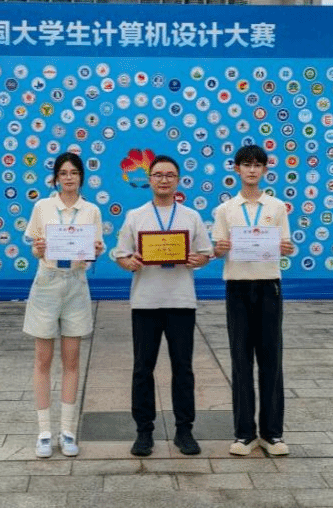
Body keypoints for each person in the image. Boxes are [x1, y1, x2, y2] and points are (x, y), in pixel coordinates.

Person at [114, 155, 213, 456]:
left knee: (183, 368)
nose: (164, 180)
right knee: (143, 369)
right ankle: (144, 432)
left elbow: (206, 253)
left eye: (170, 175)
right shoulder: (135, 216)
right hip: (145, 302)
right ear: (150, 180)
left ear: (178, 180)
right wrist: (129, 262)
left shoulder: (191, 217)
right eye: (158, 175)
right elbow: (121, 254)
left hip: (181, 302)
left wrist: (198, 259)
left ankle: (184, 431)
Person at [211, 144, 295, 456]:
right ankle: (244, 434)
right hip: (237, 288)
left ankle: (272, 434)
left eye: (257, 165)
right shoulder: (225, 210)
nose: (252, 170)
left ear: (265, 170)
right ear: (237, 169)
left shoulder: (277, 207)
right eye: (246, 165)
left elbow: (285, 243)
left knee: (272, 360)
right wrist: (219, 249)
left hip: (269, 287)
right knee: (241, 360)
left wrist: (287, 248)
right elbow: (218, 248)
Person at [23, 152, 104, 458]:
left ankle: (67, 431)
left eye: (74, 172)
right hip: (47, 283)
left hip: (76, 284)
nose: (69, 178)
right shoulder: (42, 207)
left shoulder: (91, 211)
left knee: (71, 361)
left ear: (82, 177)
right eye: (63, 173)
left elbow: (94, 250)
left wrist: (95, 250)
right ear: (56, 178)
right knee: (42, 359)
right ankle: (44, 432)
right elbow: (35, 248)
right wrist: (38, 248)